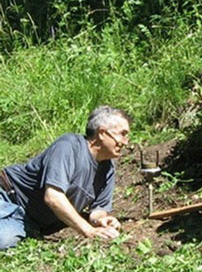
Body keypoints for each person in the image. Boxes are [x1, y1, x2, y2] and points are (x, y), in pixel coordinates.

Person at [0, 105, 131, 250]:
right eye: (122, 134)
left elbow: (98, 210)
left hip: (29, 221)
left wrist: (102, 221)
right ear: (101, 133)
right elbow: (53, 197)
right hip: (7, 196)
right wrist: (88, 230)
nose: (126, 141)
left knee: (4, 239)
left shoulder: (108, 169)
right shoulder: (69, 146)